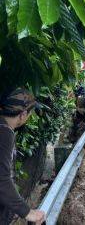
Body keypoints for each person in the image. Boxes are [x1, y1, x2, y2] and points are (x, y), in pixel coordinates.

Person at [0, 88, 46, 224]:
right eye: (30, 113)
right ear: (23, 114)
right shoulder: (4, 133)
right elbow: (1, 179)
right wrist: (27, 212)